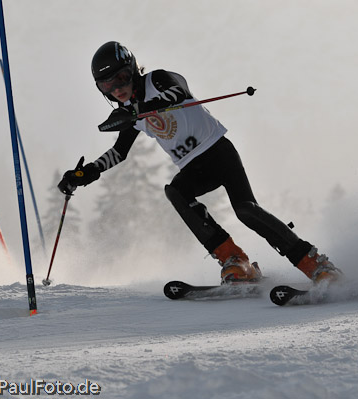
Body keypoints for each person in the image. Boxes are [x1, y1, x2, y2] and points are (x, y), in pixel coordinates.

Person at [58, 41, 342, 284]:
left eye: (120, 78)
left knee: (245, 209)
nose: (116, 88)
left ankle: (314, 264)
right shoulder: (128, 113)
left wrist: (139, 112)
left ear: (132, 70)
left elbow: (177, 92)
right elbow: (119, 152)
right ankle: (234, 260)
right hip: (194, 167)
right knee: (176, 191)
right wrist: (85, 173)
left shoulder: (156, 80)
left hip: (218, 152)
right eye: (107, 84)